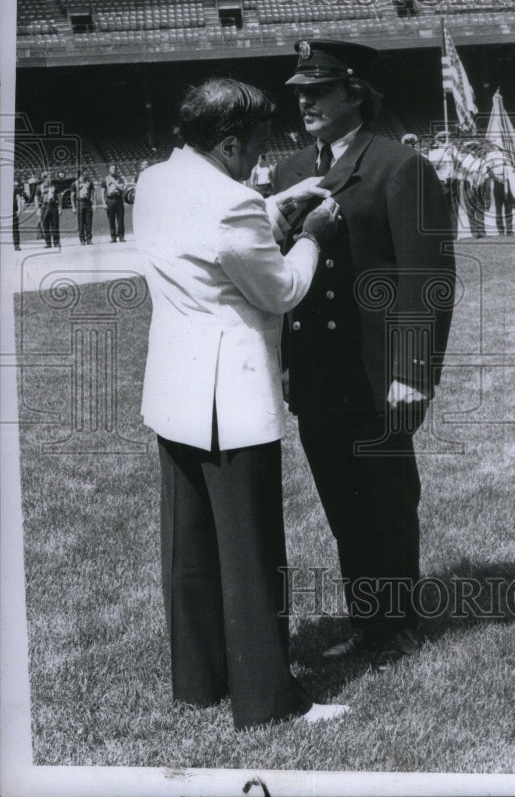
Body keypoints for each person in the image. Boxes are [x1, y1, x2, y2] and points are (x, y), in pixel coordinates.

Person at [134, 76, 346, 729]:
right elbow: (279, 289)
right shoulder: (233, 204)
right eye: (253, 146)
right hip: (231, 396)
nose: (258, 157)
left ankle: (199, 683)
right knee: (252, 555)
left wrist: (272, 200)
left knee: (190, 548)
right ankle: (267, 699)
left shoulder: (155, 181)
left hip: (175, 389)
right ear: (229, 143)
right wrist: (310, 232)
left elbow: (217, 230)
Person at [274, 40, 456, 668]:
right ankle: (368, 616)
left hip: (378, 373)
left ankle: (396, 622)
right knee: (342, 500)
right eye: (299, 91)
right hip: (319, 371)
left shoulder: (397, 166)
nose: (304, 101)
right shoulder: (289, 169)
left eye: (317, 90)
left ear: (355, 93)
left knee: (384, 497)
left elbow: (425, 278)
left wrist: (412, 373)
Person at [426, 130, 461, 237]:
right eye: (441, 139)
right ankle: (444, 232)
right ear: (437, 141)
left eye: (445, 139)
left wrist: (453, 155)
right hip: (441, 182)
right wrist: (443, 151)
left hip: (453, 181)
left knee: (454, 208)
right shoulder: (433, 152)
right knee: (443, 208)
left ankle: (454, 234)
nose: (444, 141)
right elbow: (435, 165)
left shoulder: (453, 150)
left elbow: (460, 164)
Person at [102, 163, 126, 242]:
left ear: (116, 170)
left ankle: (121, 236)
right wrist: (103, 203)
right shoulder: (105, 179)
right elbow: (102, 192)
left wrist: (113, 182)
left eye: (114, 168)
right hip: (110, 200)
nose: (113, 170)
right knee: (111, 220)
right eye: (111, 168)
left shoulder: (120, 178)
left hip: (118, 199)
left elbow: (122, 188)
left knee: (120, 219)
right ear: (109, 169)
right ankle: (113, 237)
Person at [36, 173, 60, 249]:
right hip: (44, 207)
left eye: (51, 177)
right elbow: (36, 198)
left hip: (53, 206)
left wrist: (60, 208)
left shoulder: (54, 186)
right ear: (45, 178)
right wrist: (38, 209)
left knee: (55, 225)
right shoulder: (39, 187)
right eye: (49, 177)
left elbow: (59, 197)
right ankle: (48, 243)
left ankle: (56, 242)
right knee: (45, 226)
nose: (51, 179)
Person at [71, 169, 95, 244]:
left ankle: (89, 238)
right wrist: (73, 207)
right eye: (85, 173)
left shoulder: (89, 182)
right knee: (81, 222)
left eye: (87, 173)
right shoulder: (75, 183)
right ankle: (82, 239)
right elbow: (72, 195)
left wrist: (94, 204)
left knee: (89, 222)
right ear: (81, 174)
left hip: (87, 202)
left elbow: (93, 193)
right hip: (79, 202)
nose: (87, 174)